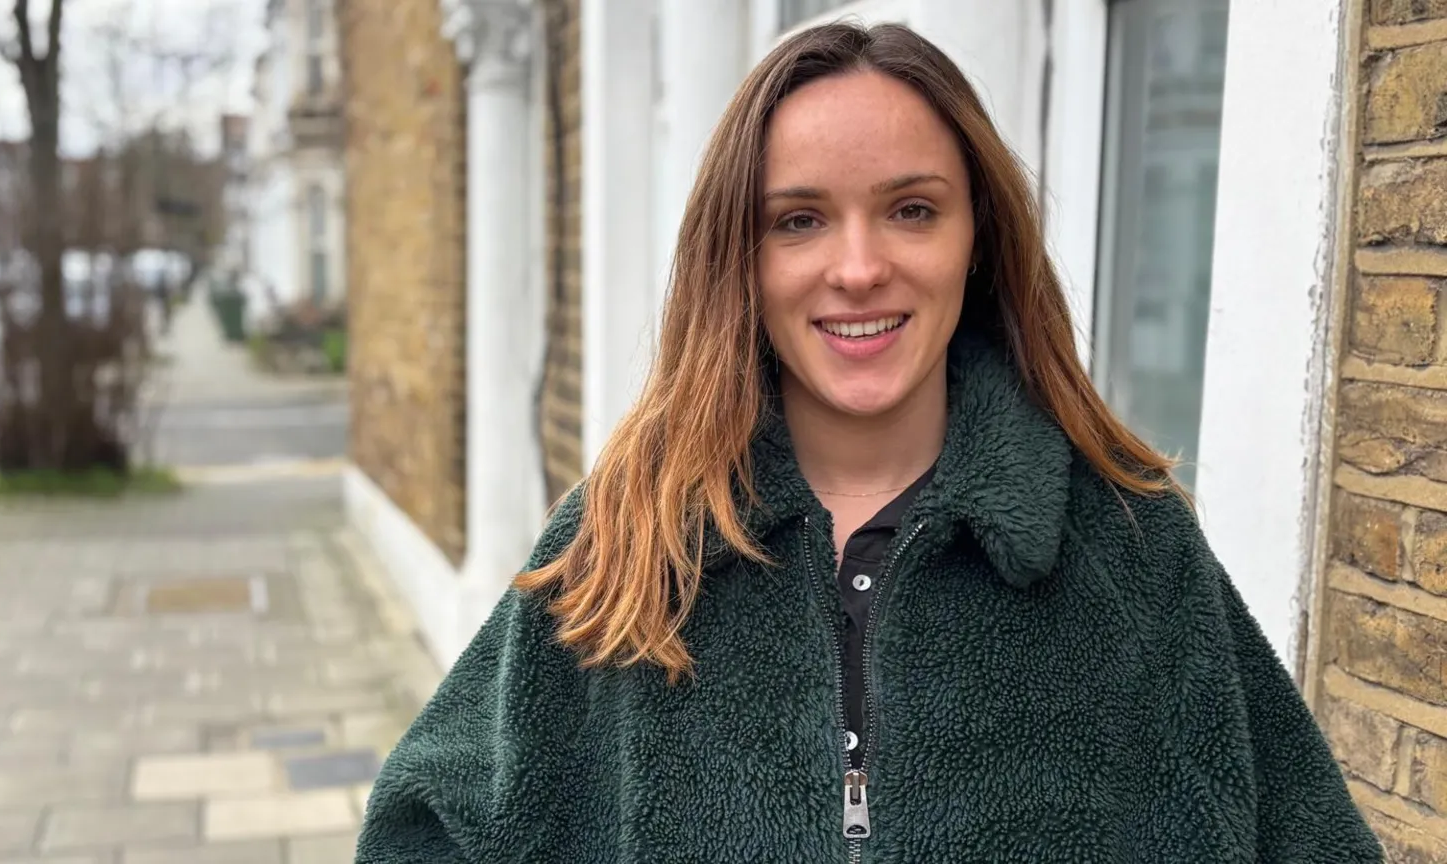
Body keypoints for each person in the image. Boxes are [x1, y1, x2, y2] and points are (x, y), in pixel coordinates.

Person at [355, 22, 1382, 863]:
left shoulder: (1126, 542)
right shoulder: (629, 538)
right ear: (740, 257)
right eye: (799, 220)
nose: (857, 268)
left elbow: (1311, 839)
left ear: (977, 239)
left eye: (911, 210)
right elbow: (421, 830)